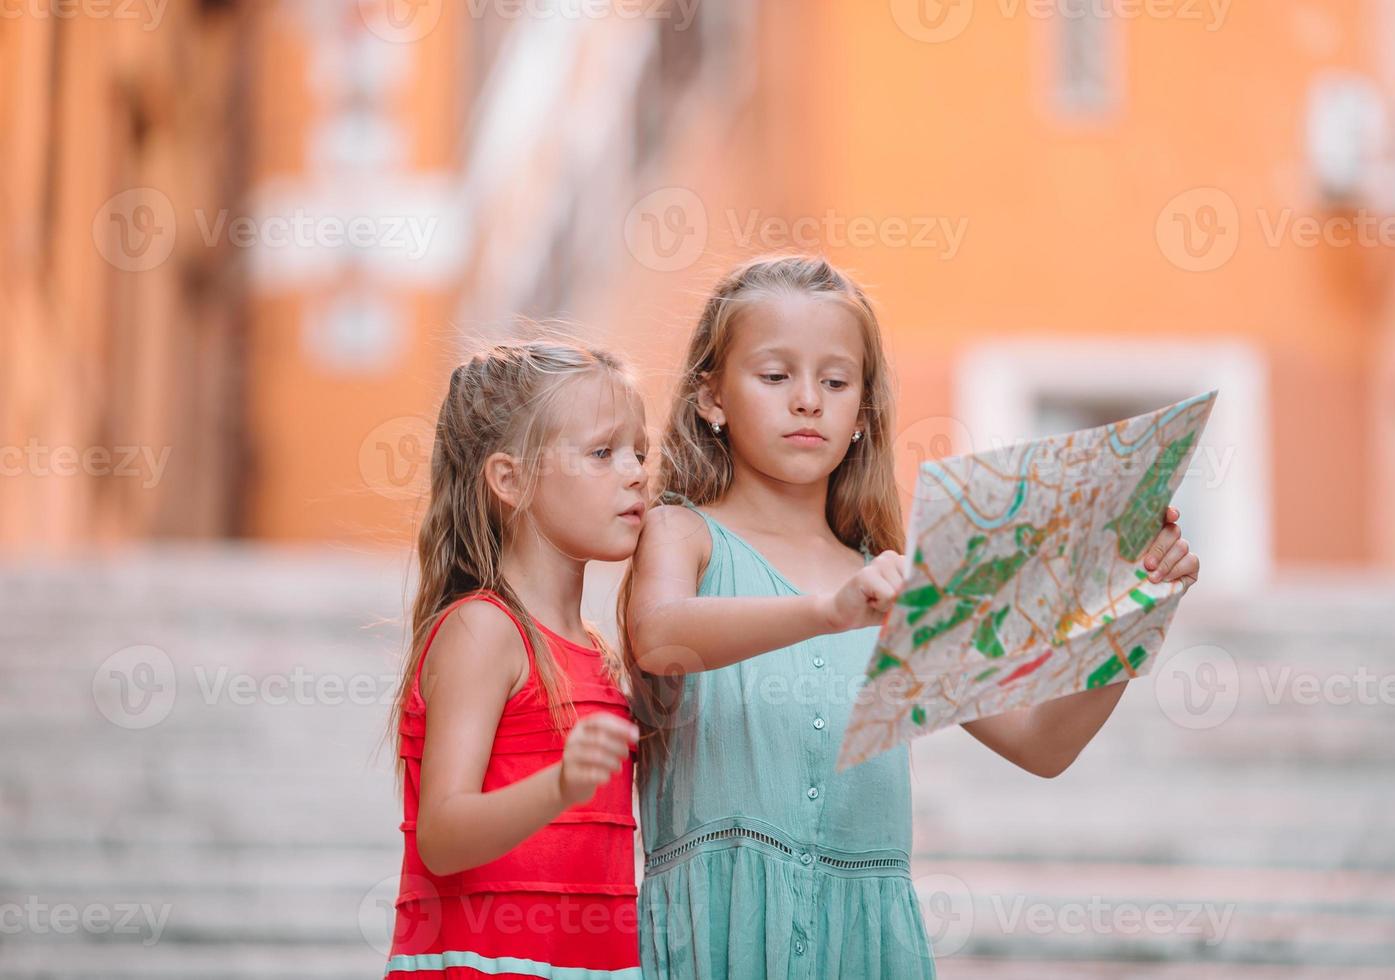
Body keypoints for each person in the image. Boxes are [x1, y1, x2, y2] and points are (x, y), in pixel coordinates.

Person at [620, 255, 1199, 978]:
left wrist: (1135, 608)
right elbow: (659, 638)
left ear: (862, 413)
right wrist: (828, 612)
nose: (808, 401)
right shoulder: (684, 534)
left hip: (865, 948)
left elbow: (1041, 746)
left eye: (835, 382)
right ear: (711, 396)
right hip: (719, 934)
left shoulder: (896, 585)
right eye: (775, 377)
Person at [385, 339, 648, 979]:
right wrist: (558, 786)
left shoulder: (601, 656)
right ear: (511, 479)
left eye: (641, 451)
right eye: (602, 453)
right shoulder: (484, 631)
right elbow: (443, 836)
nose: (637, 471)